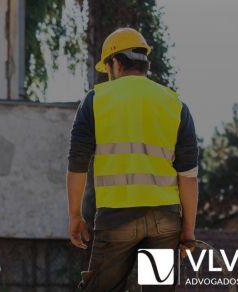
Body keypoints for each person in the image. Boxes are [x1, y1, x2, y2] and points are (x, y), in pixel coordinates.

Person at [66, 28, 198, 291]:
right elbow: (189, 177)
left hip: (117, 217)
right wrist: (188, 230)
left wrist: (75, 216)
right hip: (165, 220)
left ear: (115, 62)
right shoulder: (176, 105)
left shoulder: (96, 101)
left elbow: (77, 164)